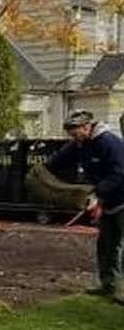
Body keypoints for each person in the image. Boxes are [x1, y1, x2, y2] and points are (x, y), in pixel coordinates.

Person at [47, 110, 124, 302]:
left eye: (75, 133)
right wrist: (42, 171)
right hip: (108, 201)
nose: (73, 138)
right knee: (106, 245)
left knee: (121, 247)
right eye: (70, 134)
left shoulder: (110, 143)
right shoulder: (80, 144)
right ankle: (108, 285)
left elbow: (119, 173)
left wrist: (98, 193)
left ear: (87, 126)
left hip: (121, 198)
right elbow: (60, 159)